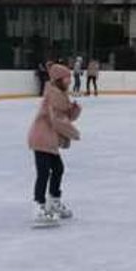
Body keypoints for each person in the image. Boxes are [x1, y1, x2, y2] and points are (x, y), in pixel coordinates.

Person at [26, 63, 82, 227]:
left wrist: (74, 110)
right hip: (41, 138)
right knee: (43, 172)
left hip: (49, 139)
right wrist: (73, 133)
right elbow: (57, 121)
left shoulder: (60, 94)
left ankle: (54, 201)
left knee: (58, 169)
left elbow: (65, 116)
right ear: (59, 79)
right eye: (67, 77)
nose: (70, 80)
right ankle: (38, 206)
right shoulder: (54, 95)